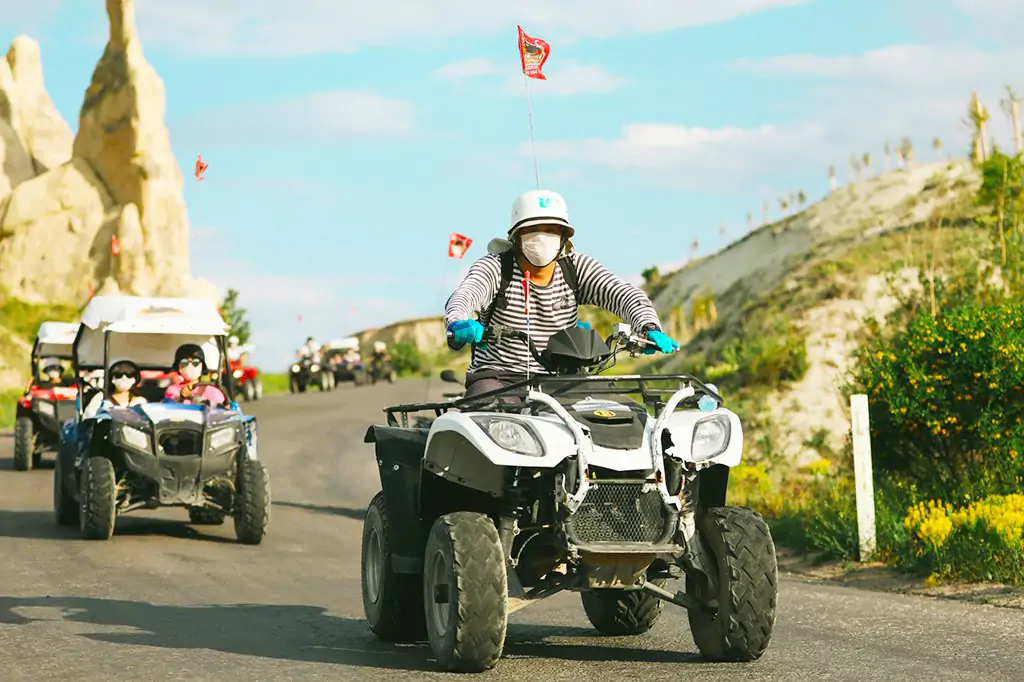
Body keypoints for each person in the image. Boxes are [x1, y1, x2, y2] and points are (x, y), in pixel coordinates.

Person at [445, 189, 679, 399]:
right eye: (532, 231)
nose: (542, 238)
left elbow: (624, 294)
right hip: (498, 378)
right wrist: (458, 323)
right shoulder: (495, 267)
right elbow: (465, 294)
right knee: (488, 419)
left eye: (551, 231)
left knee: (619, 419)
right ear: (517, 236)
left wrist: (648, 327)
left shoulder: (575, 268)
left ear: (564, 238)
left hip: (562, 379)